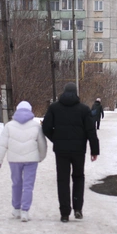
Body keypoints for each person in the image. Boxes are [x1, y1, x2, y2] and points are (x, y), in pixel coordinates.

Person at [42, 83, 99, 222]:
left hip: (61, 150)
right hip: (79, 150)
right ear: (76, 93)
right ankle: (78, 208)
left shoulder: (54, 108)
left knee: (63, 179)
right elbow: (91, 131)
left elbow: (46, 127)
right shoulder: (84, 109)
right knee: (78, 177)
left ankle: (64, 213)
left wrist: (55, 139)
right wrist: (94, 150)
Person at [0, 101, 47, 222]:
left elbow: (2, 143)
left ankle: (16, 208)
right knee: (28, 185)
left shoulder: (9, 126)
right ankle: (25, 211)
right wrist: (41, 156)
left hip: (14, 159)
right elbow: (42, 144)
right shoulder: (36, 126)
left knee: (16, 183)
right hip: (31, 160)